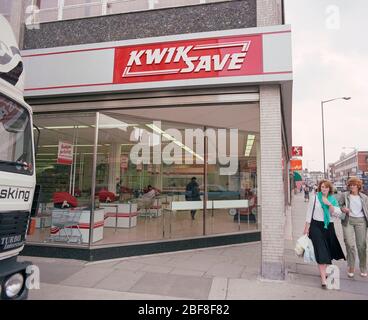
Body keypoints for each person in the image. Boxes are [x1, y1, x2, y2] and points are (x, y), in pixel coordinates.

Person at [303, 179, 346, 288]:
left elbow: (337, 214)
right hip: (316, 226)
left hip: (329, 227)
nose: (324, 189)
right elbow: (309, 213)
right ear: (319, 188)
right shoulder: (315, 198)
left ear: (329, 188)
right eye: (322, 187)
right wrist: (306, 227)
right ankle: (323, 279)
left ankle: (325, 272)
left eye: (326, 187)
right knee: (321, 252)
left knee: (328, 253)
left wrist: (329, 204)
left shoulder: (333, 199)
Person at [338, 177, 368, 278]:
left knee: (362, 245)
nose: (352, 187)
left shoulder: (364, 197)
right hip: (348, 221)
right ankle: (351, 266)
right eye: (350, 185)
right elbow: (338, 205)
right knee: (350, 244)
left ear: (358, 186)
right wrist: (343, 209)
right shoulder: (345, 195)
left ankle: (363, 267)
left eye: (354, 185)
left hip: (361, 221)